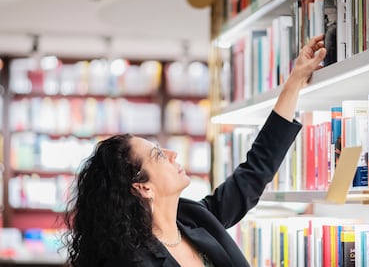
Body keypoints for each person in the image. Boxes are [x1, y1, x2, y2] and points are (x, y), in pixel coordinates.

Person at [63, 34, 326, 267]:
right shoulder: (128, 260)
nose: (173, 154)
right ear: (143, 187)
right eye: (157, 154)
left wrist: (294, 82)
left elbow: (253, 174)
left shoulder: (193, 217)